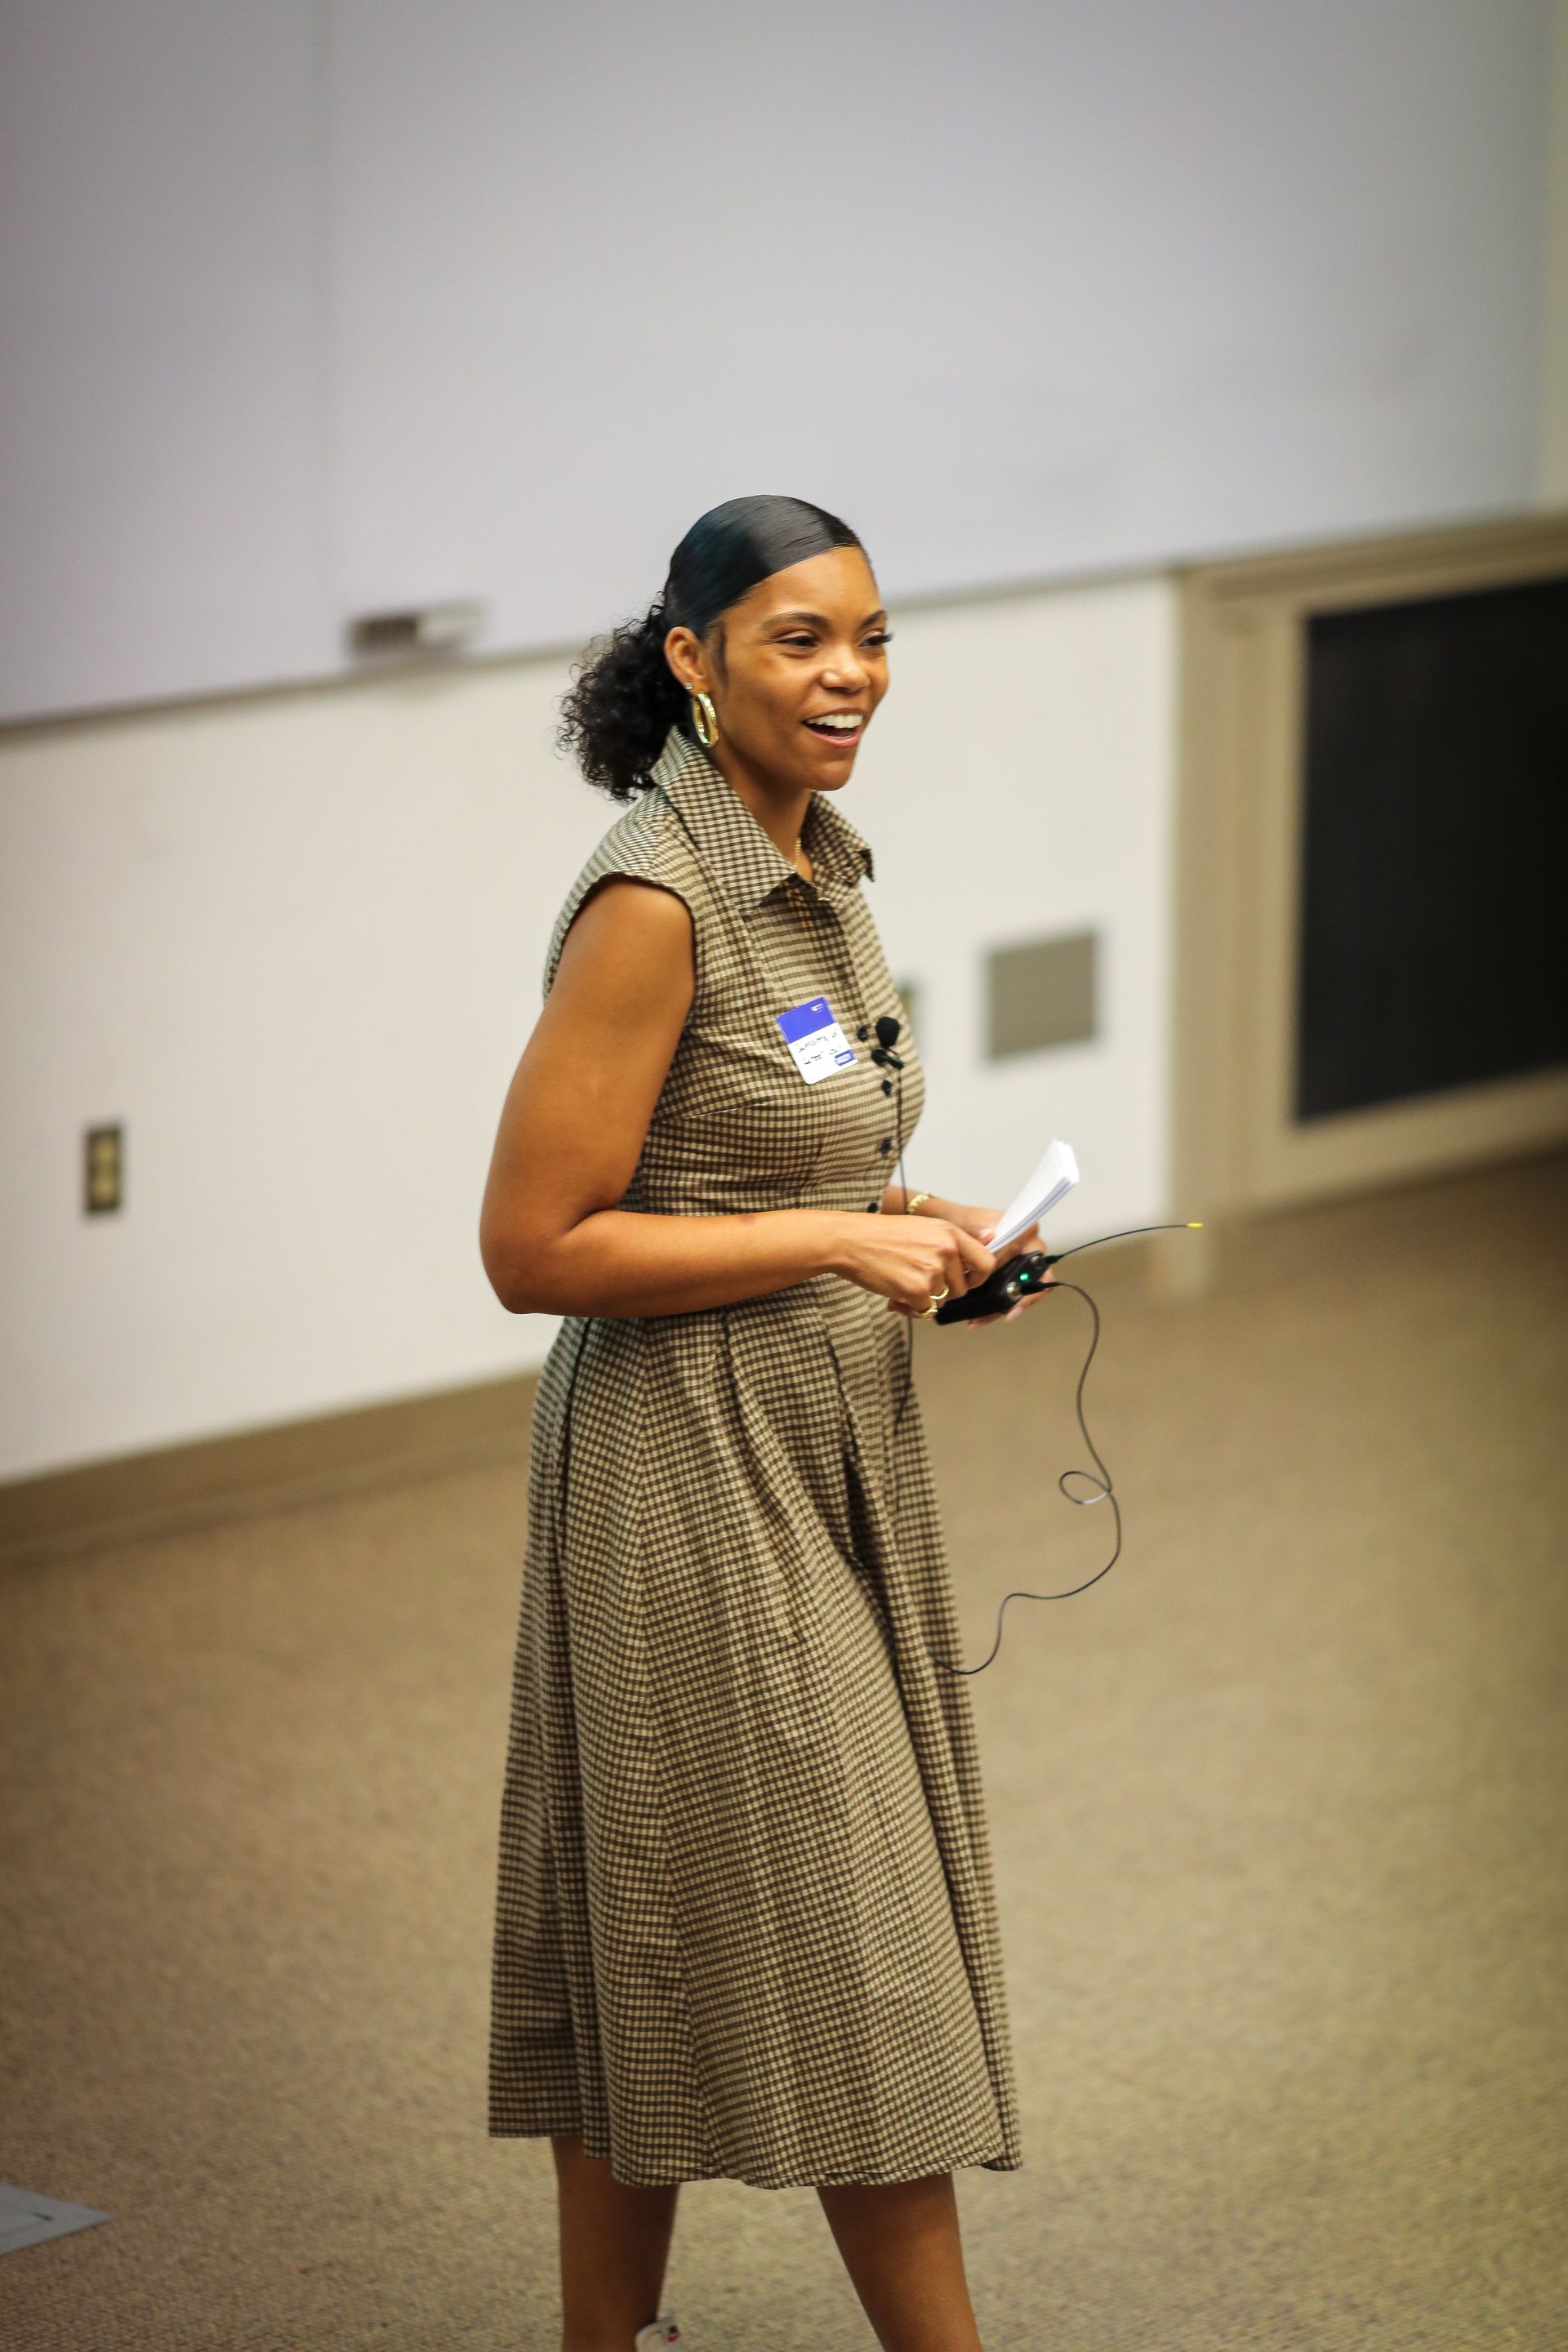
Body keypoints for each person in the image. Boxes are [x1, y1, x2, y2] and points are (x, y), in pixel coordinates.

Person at [479, 494, 1049, 2352]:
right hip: (684, 1467)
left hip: (821, 1446)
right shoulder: (659, 897)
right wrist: (825, 1238)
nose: (851, 674)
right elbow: (532, 1245)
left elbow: (756, 1159)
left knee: (644, 1913)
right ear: (693, 658)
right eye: (801, 638)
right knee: (850, 1931)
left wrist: (916, 1224)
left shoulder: (824, 861)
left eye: (872, 635)